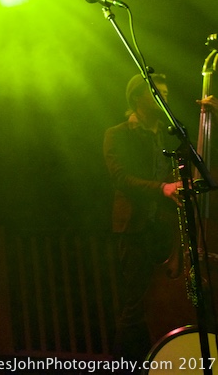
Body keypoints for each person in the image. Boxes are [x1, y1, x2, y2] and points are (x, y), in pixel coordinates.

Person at [104, 73, 182, 362]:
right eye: (157, 93)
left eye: (166, 94)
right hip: (134, 227)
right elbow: (121, 179)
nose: (164, 99)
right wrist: (162, 188)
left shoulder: (170, 133)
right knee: (136, 303)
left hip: (164, 227)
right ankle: (127, 364)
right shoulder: (117, 133)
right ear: (138, 97)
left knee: (166, 299)